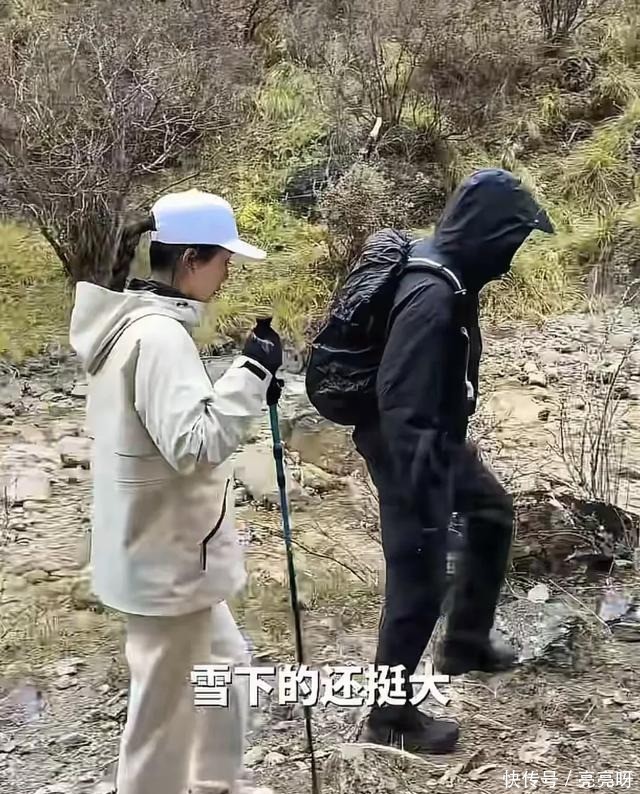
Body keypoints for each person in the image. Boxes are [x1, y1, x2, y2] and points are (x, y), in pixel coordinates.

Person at [69, 189, 283, 794]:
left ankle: (214, 783)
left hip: (161, 552)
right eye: (224, 261)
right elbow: (193, 443)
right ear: (191, 259)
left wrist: (242, 381)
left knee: (225, 672)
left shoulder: (136, 326)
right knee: (163, 714)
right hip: (166, 562)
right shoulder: (159, 338)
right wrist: (252, 374)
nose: (228, 273)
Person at [353, 169, 554, 753]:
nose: (511, 259)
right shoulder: (433, 297)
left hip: (431, 439)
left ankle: (466, 642)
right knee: (417, 581)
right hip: (407, 449)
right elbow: (399, 402)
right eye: (512, 242)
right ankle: (389, 719)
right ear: (487, 235)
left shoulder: (451, 275)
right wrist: (429, 500)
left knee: (491, 513)